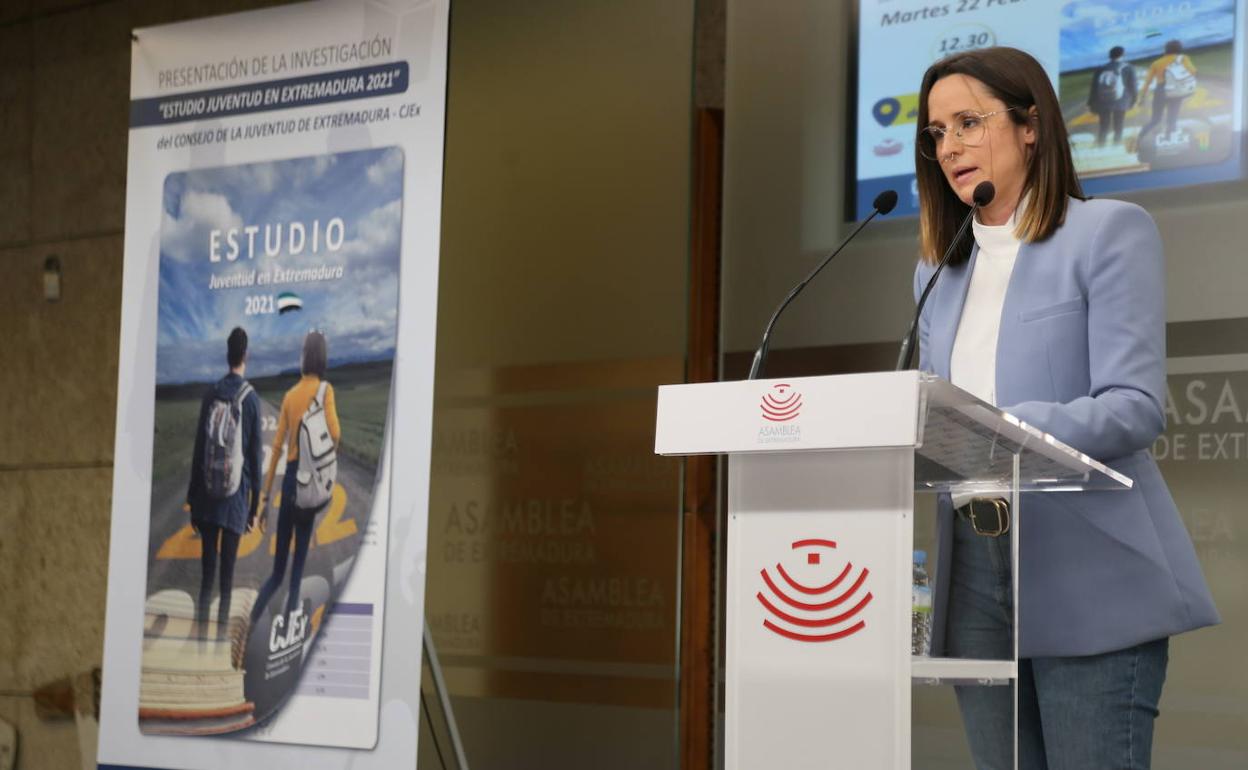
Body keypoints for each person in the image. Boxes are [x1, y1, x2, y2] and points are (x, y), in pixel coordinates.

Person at [911, 47, 1218, 769]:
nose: (949, 146)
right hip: (973, 574)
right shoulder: (935, 269)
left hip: (1088, 564)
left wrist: (998, 431)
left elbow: (1133, 407)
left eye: (968, 122)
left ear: (1030, 127)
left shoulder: (1106, 232)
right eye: (936, 132)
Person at [250, 330, 340, 626]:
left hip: (289, 481)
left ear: (304, 357)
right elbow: (336, 435)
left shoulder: (289, 396)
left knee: (277, 573)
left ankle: (251, 625)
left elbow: (275, 450)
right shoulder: (326, 391)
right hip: (310, 484)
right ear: (322, 357)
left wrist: (264, 499)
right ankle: (287, 631)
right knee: (298, 569)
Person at [186, 327, 262, 641]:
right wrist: (253, 508)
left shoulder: (210, 393)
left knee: (207, 577)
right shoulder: (251, 399)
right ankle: (218, 645)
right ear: (245, 355)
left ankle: (199, 640)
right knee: (226, 580)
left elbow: (197, 449)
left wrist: (193, 500)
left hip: (206, 499)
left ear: (227, 353)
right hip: (234, 502)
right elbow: (256, 459)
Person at [1139, 40, 1197, 141]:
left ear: (1166, 49)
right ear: (1179, 48)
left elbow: (1147, 82)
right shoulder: (1183, 58)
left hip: (1160, 90)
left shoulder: (1156, 63)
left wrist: (1142, 97)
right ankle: (1169, 141)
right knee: (1172, 120)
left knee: (1155, 119)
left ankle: (1140, 138)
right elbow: (1193, 71)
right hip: (1176, 90)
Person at [1086, 45, 1137, 147]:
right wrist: (1133, 100)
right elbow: (1133, 87)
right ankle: (1116, 145)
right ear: (1122, 54)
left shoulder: (1101, 68)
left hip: (1103, 101)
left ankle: (1101, 146)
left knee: (1103, 126)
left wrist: (1091, 103)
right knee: (1119, 125)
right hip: (1121, 100)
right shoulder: (1128, 68)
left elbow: (1094, 88)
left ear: (1110, 56)